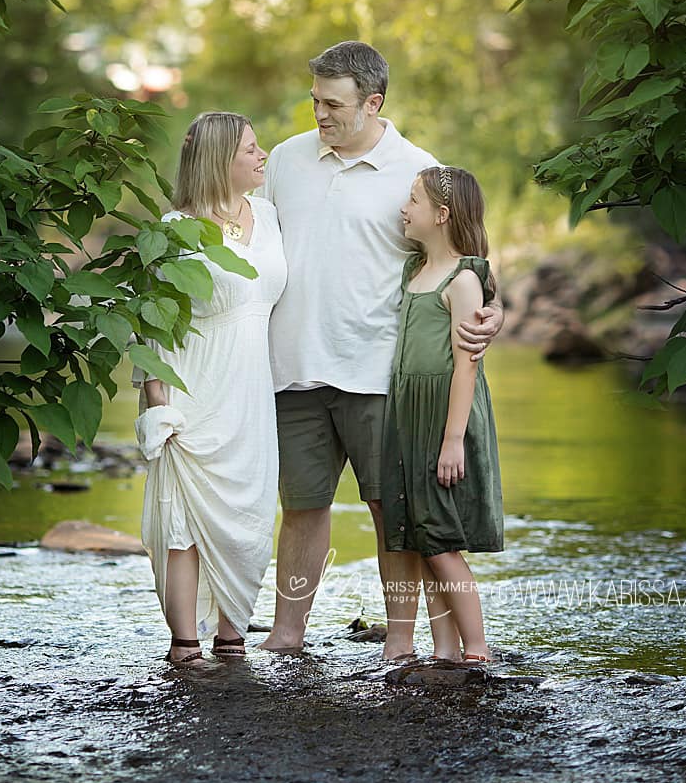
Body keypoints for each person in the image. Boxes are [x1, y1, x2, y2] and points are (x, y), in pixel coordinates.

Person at [255, 42, 503, 655]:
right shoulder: (286, 160)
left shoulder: (416, 171)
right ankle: (287, 636)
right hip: (292, 368)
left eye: (333, 104)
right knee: (302, 508)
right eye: (315, 100)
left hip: (378, 371)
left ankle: (399, 643)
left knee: (389, 511)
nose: (319, 114)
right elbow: (251, 241)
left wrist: (493, 308)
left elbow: (462, 258)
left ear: (373, 103)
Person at [136, 112, 287, 666]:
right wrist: (159, 408)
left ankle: (231, 638)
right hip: (194, 389)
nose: (261, 155)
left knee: (247, 514)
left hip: (252, 391)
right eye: (251, 148)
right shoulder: (174, 229)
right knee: (185, 523)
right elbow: (148, 328)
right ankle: (183, 648)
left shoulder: (267, 216)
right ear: (221, 160)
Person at [379, 165, 504, 664]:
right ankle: (447, 650)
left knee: (439, 539)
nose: (403, 209)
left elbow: (466, 367)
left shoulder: (464, 279)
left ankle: (478, 650)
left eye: (413, 200)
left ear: (442, 214)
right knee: (421, 531)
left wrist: (453, 439)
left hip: (444, 417)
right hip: (410, 412)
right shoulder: (415, 270)